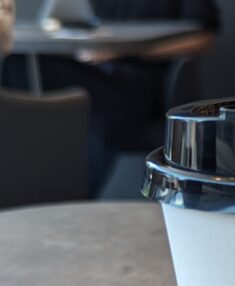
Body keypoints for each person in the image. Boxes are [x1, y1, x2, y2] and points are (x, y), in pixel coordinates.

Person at [1, 0, 220, 195]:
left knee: (92, 117)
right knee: (18, 65)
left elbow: (203, 36)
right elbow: (79, 20)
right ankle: (21, 181)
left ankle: (66, 197)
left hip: (142, 86)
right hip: (99, 73)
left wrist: (128, 51)